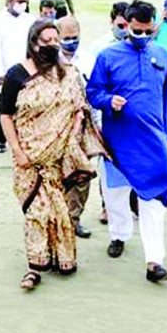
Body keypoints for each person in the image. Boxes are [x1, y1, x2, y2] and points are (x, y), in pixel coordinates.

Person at [2, 20, 101, 290]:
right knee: (37, 211)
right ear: (33, 43)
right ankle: (34, 267)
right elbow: (5, 116)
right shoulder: (16, 75)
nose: (52, 45)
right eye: (45, 41)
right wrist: (18, 150)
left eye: (54, 40)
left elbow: (80, 105)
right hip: (29, 160)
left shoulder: (68, 74)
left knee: (60, 211)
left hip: (59, 157)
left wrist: (78, 122)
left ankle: (61, 257)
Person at [86, 0, 167, 283]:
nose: (141, 36)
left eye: (147, 31)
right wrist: (107, 100)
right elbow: (93, 92)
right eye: (136, 31)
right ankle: (119, 235)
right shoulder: (108, 56)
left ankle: (154, 261)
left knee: (153, 198)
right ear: (127, 25)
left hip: (152, 141)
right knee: (115, 194)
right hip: (117, 141)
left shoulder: (162, 55)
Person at [88, 1, 129, 226]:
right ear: (112, 22)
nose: (123, 29)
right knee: (107, 162)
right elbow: (94, 86)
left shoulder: (140, 46)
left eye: (126, 24)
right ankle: (106, 205)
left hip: (132, 118)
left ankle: (132, 203)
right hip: (107, 115)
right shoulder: (100, 48)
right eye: (120, 24)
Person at [57, 16, 96, 239]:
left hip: (83, 126)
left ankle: (75, 218)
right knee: (60, 175)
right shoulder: (50, 61)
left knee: (82, 175)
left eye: (75, 37)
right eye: (67, 38)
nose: (71, 41)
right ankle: (61, 220)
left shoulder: (88, 59)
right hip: (59, 128)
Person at [0, 0, 35, 153]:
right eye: (19, 1)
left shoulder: (30, 20)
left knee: (27, 105)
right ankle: (1, 139)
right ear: (9, 0)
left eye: (25, 1)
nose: (22, 4)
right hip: (6, 72)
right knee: (3, 107)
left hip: (27, 71)